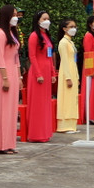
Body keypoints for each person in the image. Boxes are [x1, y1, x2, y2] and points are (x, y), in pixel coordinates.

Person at [0, 5, 22, 154]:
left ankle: (10, 143)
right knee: (4, 110)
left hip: (13, 72)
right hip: (3, 73)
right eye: (13, 15)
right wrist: (5, 78)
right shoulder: (0, 33)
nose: (16, 17)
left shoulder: (12, 33)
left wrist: (19, 76)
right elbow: (0, 58)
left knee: (12, 110)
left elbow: (16, 57)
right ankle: (1, 145)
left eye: (16, 15)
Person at [26, 11, 56, 142]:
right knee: (37, 104)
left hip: (47, 72)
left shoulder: (46, 36)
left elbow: (49, 57)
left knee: (45, 104)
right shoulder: (34, 36)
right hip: (38, 73)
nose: (47, 21)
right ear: (38, 20)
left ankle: (45, 132)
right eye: (44, 19)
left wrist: (53, 73)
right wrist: (38, 74)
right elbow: (32, 56)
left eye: (48, 18)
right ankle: (36, 134)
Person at [55, 18, 80, 133]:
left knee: (72, 99)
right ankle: (64, 125)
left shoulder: (70, 42)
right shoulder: (63, 43)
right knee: (66, 99)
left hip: (73, 70)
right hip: (67, 73)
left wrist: (77, 77)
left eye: (74, 27)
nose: (74, 29)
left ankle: (72, 124)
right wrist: (68, 77)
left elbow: (73, 60)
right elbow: (64, 61)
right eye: (71, 27)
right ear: (64, 29)